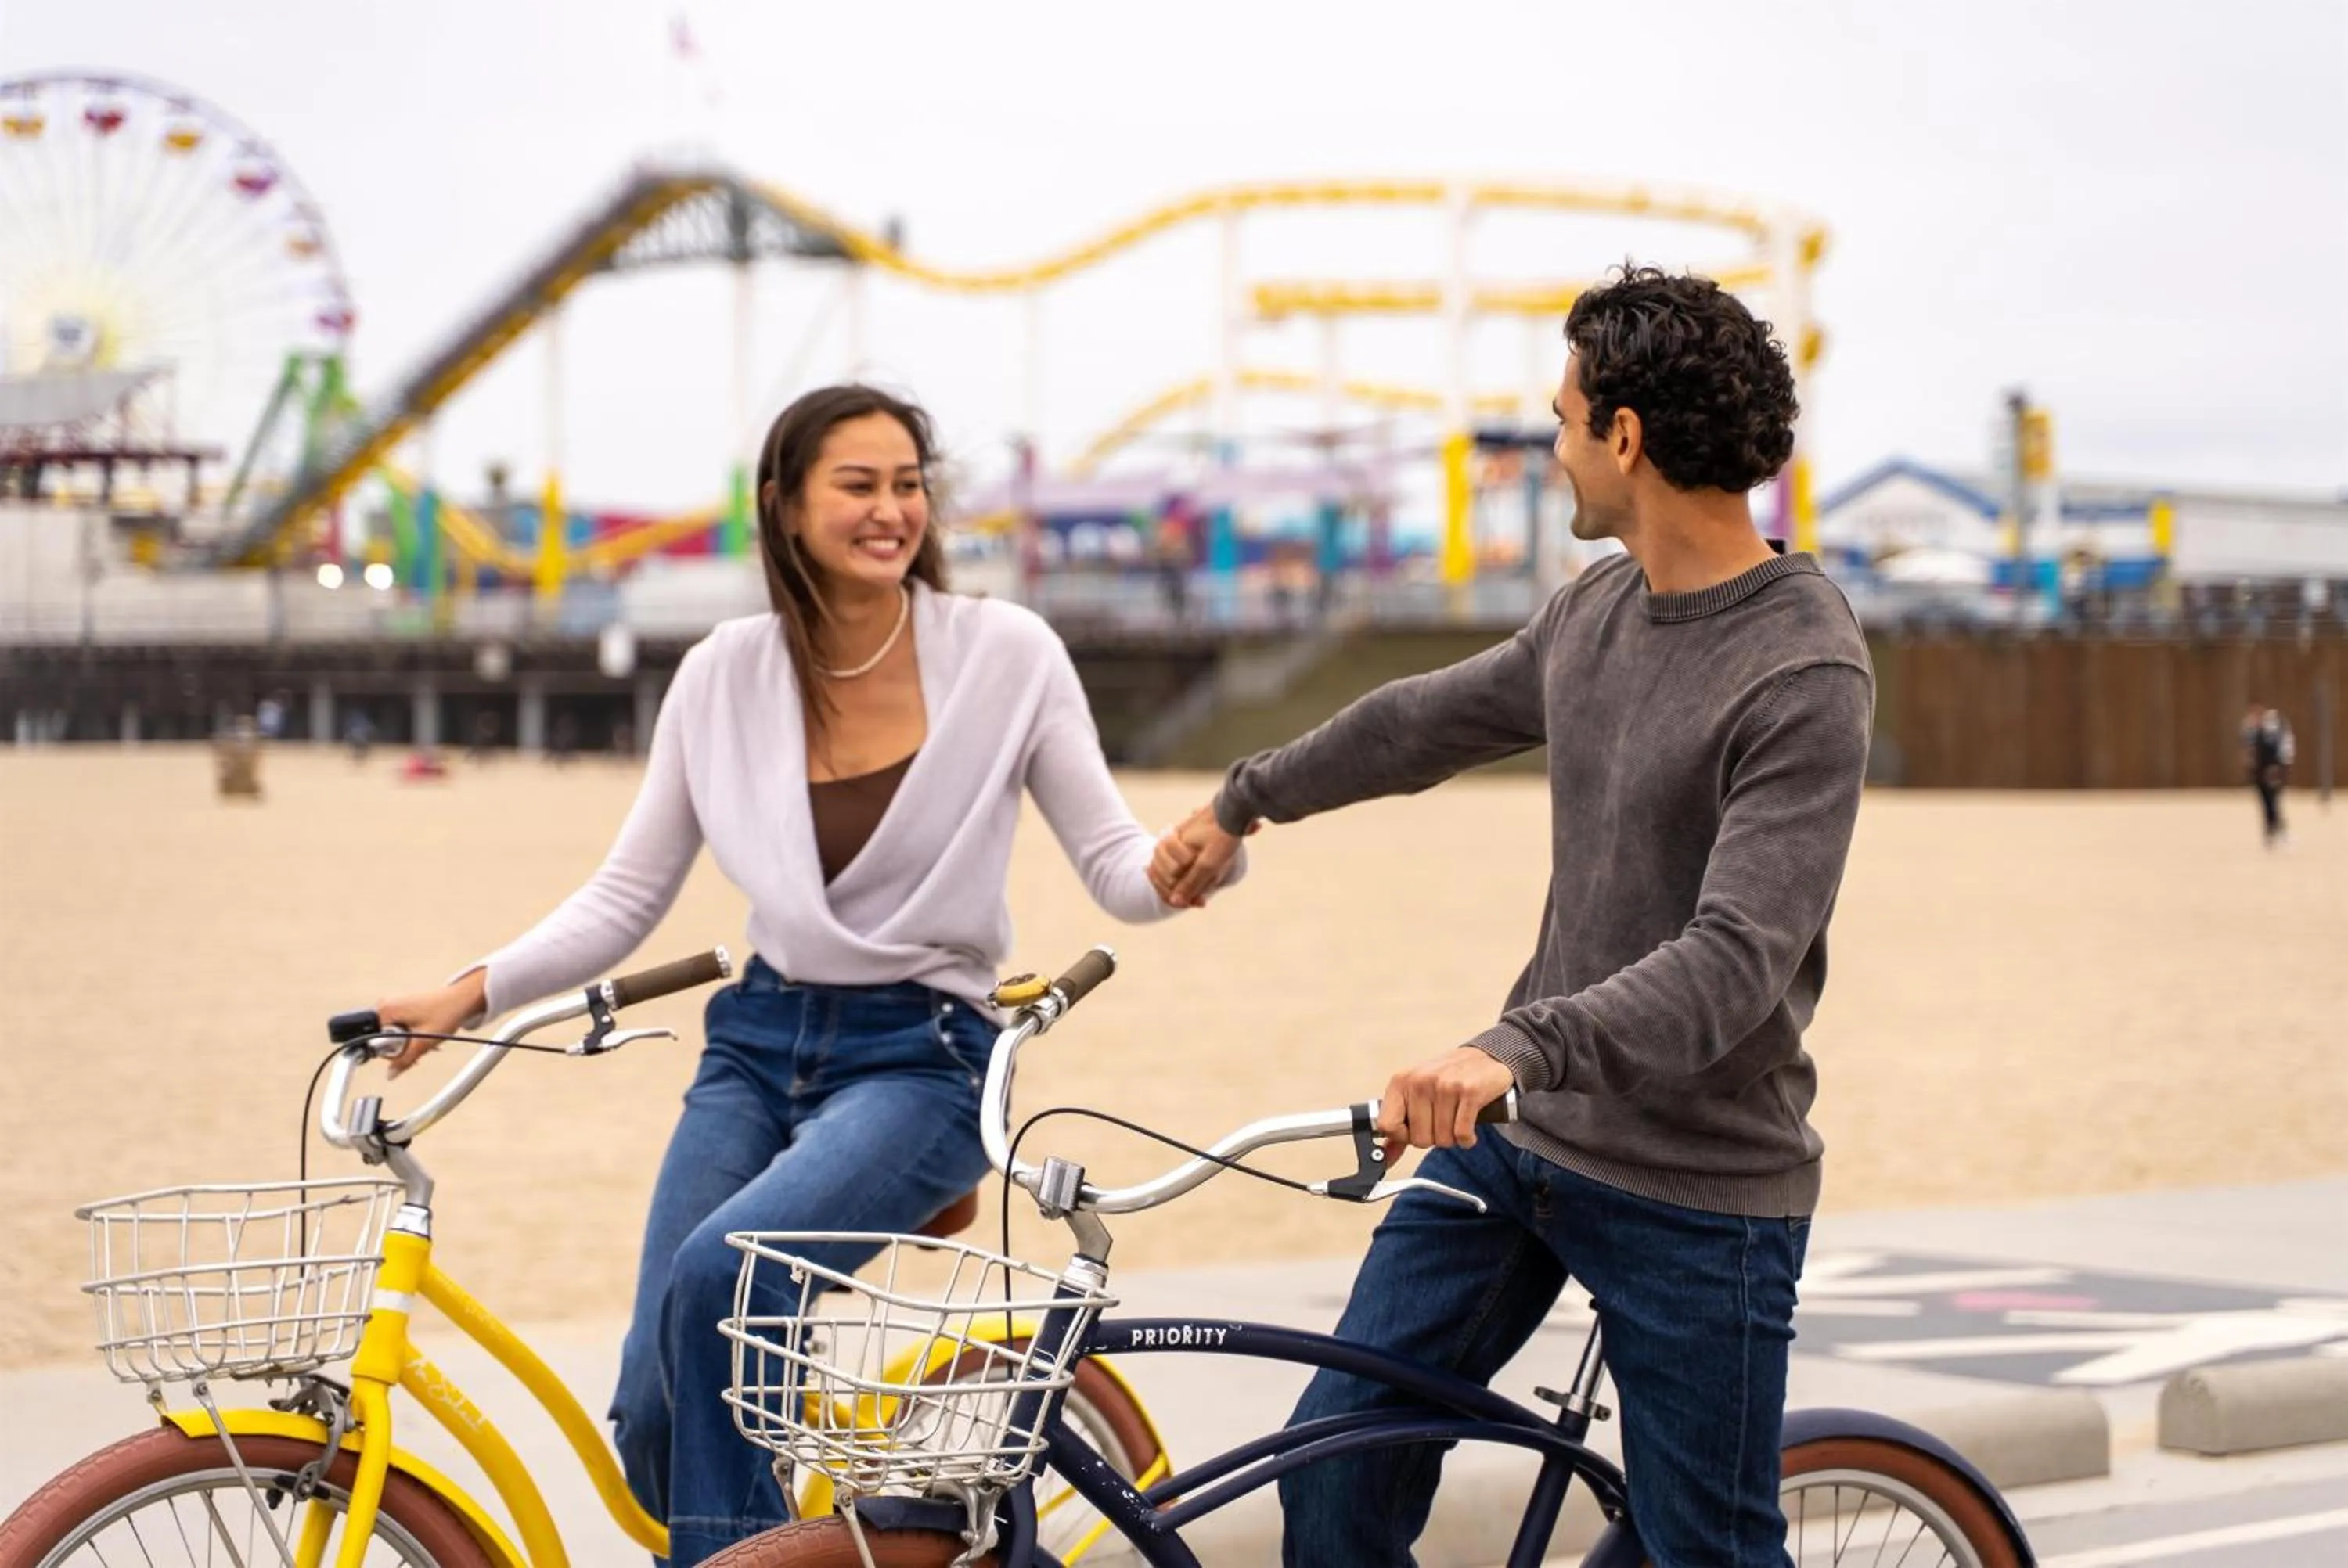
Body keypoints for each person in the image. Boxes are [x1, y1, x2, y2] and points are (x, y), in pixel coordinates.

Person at [373, 384, 1235, 1566]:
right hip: (757, 1043)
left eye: (908, 485)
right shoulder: (721, 675)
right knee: (659, 1400)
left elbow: (1118, 871)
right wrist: (475, 988)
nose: (892, 511)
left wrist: (1197, 861)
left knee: (724, 1282)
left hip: (926, 1060)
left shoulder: (1005, 653)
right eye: (859, 485)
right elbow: (629, 894)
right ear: (783, 506)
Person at [1151, 265, 1874, 1567]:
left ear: (1626, 437)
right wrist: (1246, 799)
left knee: (1703, 1548)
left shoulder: (1802, 665)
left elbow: (1736, 960)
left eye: (1561, 419)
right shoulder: (1594, 609)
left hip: (1702, 1187)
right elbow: (1419, 721)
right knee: (1335, 1472)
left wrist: (1514, 1045)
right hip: (1521, 1144)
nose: (1553, 451)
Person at [2242, 701, 2295, 847]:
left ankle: (2281, 831)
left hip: (2271, 772)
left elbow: (2277, 753)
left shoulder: (2271, 733)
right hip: (2258, 774)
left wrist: (2277, 769)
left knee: (2274, 803)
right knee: (2265, 804)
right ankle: (2270, 832)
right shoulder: (2251, 734)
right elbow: (2250, 755)